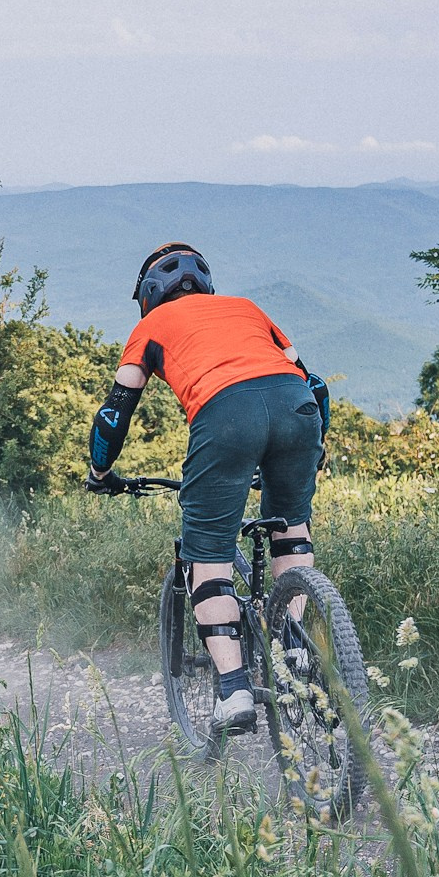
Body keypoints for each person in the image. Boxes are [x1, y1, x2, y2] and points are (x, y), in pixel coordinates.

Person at [86, 243, 330, 733]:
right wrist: (313, 449)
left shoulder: (150, 326)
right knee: (289, 528)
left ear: (150, 294)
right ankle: (295, 648)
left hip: (225, 418)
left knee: (208, 555)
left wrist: (99, 472)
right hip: (298, 411)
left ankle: (234, 691)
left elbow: (115, 413)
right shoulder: (247, 308)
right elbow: (316, 384)